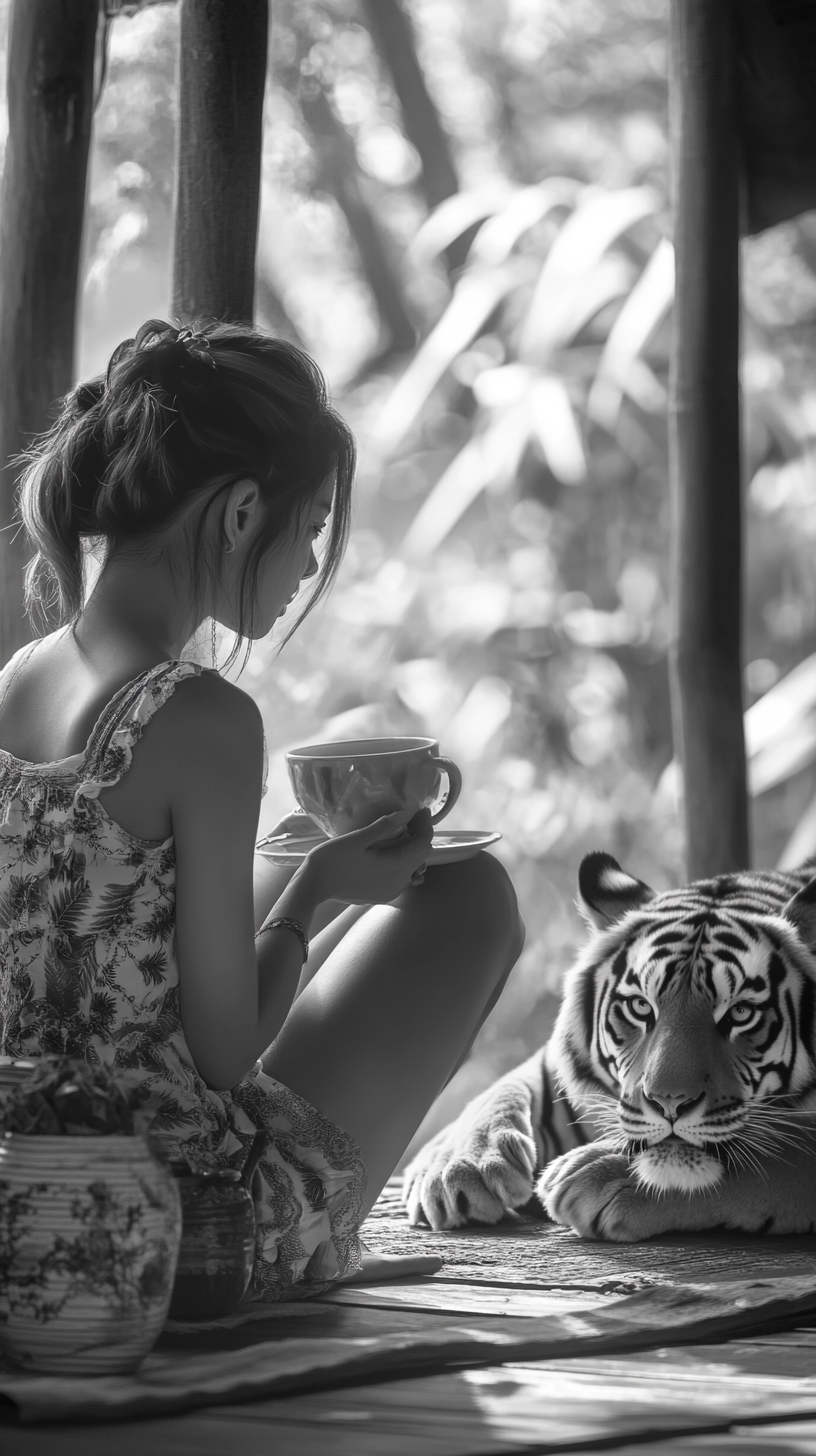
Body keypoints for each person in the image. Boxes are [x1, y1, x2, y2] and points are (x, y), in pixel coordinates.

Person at [0, 319, 524, 1301]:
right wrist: (323, 884)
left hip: (25, 1194)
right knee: (473, 897)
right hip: (170, 1231)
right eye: (312, 526)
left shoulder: (18, 678)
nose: (305, 569)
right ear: (242, 511)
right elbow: (225, 1049)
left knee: (283, 862)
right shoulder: (200, 715)